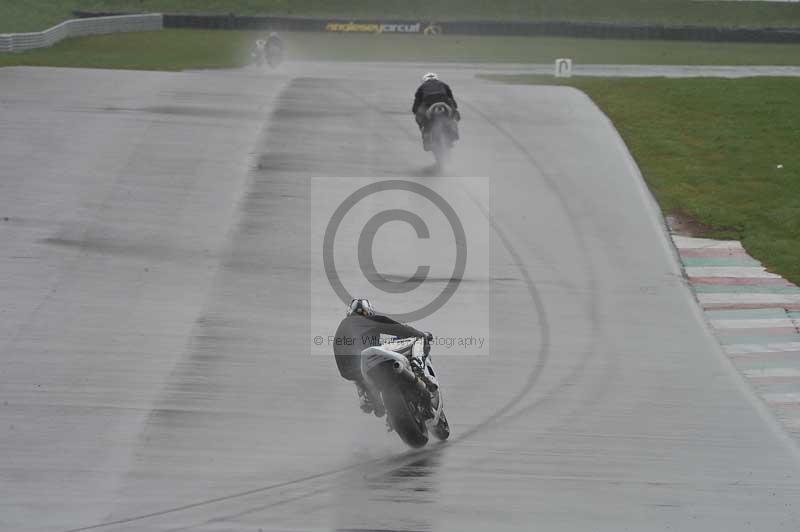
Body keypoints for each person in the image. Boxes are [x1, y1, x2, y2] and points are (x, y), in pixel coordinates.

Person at [333, 298, 427, 416]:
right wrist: (420, 334)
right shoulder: (368, 321)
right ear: (370, 312)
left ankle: (368, 397)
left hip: (348, 370)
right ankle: (418, 369)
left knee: (361, 379)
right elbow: (396, 327)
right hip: (367, 360)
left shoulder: (343, 326)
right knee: (418, 340)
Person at [411, 72, 459, 150]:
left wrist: (417, 113)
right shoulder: (444, 84)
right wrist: (454, 109)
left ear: (424, 80)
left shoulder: (421, 87)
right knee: (454, 114)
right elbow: (452, 100)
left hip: (428, 103)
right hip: (444, 101)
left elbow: (415, 106)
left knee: (420, 117)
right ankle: (454, 130)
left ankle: (426, 136)